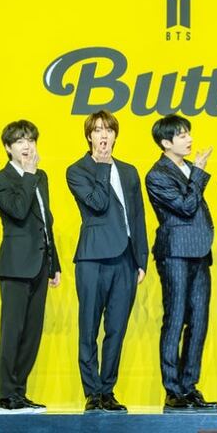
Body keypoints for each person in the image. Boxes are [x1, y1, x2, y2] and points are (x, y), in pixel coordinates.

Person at [66, 110, 148, 414]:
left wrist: (141, 258)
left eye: (109, 129)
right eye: (98, 129)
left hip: (125, 258)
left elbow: (137, 216)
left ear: (115, 135)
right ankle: (92, 392)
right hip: (92, 258)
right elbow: (98, 204)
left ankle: (108, 390)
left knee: (116, 328)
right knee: (89, 327)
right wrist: (102, 166)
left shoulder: (129, 171)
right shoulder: (77, 170)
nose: (104, 134)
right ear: (89, 135)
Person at [145, 114, 217, 413]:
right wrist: (199, 173)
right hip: (175, 253)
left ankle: (190, 386)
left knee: (199, 321)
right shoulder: (157, 175)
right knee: (175, 319)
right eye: (182, 135)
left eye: (189, 133)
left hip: (199, 253)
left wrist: (195, 171)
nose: (189, 139)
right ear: (166, 143)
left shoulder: (188, 168)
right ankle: (173, 390)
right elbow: (187, 207)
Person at [0, 120, 61, 414]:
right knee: (12, 331)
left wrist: (54, 263)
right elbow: (18, 211)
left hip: (41, 263)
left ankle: (19, 393)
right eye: (19, 141)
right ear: (8, 148)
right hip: (15, 265)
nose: (27, 145)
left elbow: (45, 219)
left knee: (32, 332)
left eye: (30, 139)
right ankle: (6, 395)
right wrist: (29, 174)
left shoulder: (41, 177)